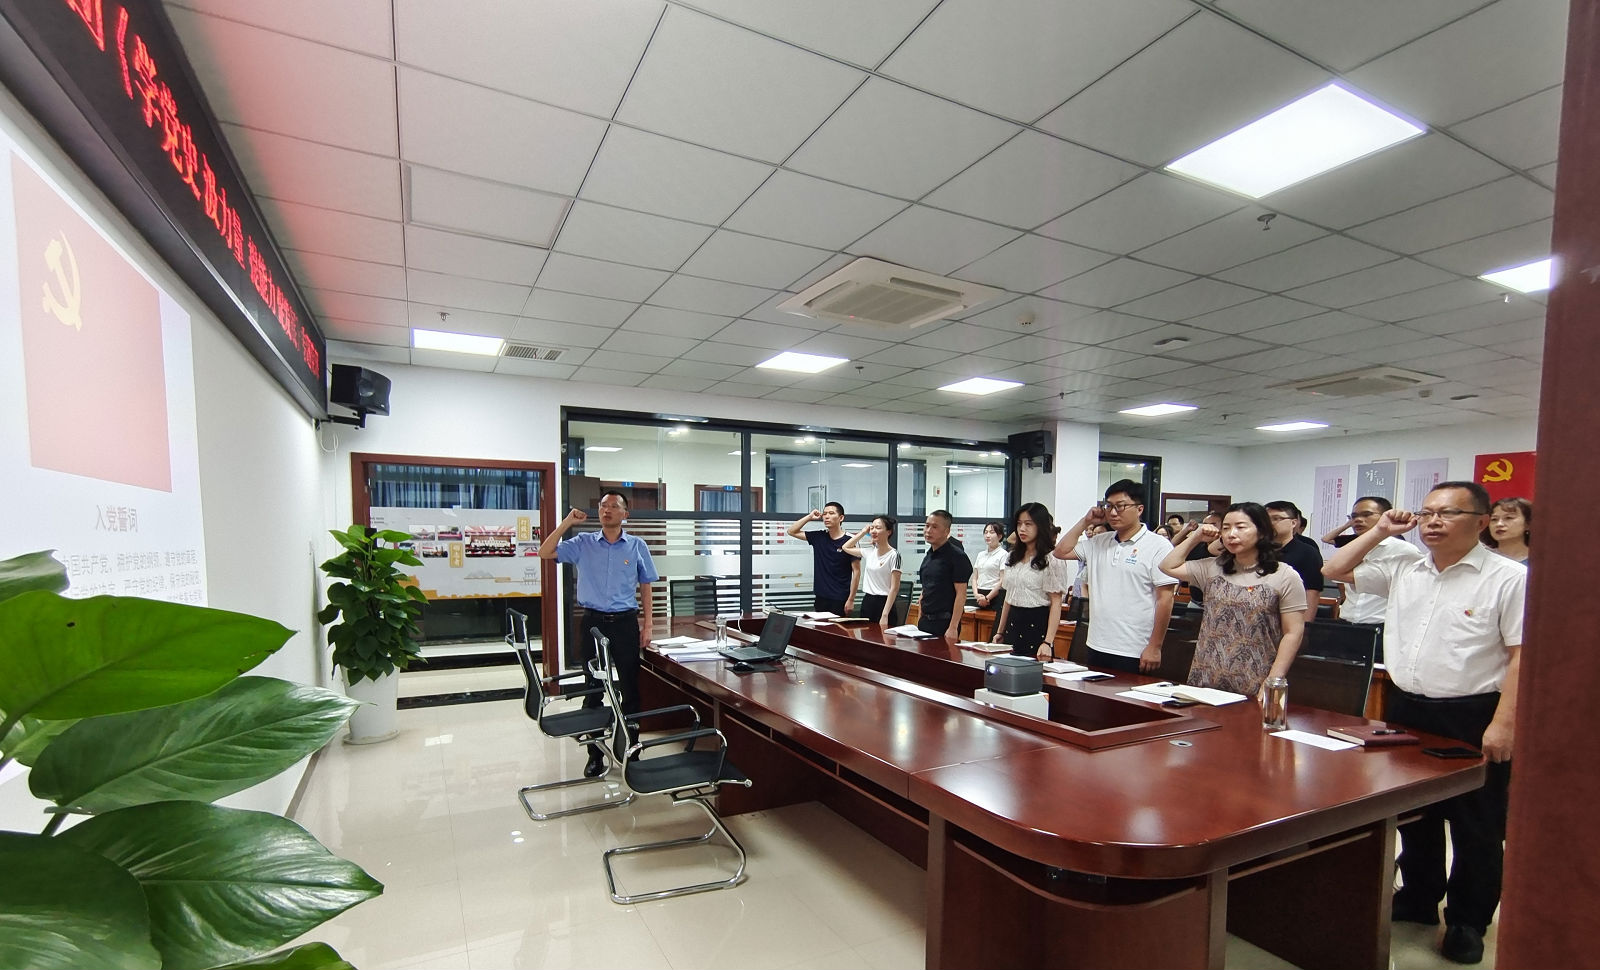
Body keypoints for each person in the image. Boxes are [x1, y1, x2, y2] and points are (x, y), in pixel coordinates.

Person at [1323, 481, 1525, 965]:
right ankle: (1417, 897)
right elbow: (1333, 569)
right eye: (1427, 512)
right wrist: (1380, 531)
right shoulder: (1406, 567)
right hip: (1407, 707)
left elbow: (1523, 654)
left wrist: (1504, 724)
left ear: (1481, 522)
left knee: (1476, 823)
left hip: (1473, 711)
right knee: (1417, 815)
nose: (1433, 521)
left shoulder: (1509, 577)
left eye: (1448, 513)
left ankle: (1467, 921)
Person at [539, 490, 658, 778]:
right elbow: (545, 552)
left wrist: (648, 624)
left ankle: (631, 751)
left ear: (625, 514)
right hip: (593, 624)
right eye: (603, 505)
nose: (607, 510)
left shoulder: (637, 546)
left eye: (614, 506)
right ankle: (595, 754)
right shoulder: (583, 543)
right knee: (593, 688)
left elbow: (646, 585)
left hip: (625, 623)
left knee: (630, 688)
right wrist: (568, 522)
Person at [1159, 503, 1307, 696]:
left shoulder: (1285, 576)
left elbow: (1293, 633)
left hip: (1256, 677)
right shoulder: (1212, 568)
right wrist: (1196, 537)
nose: (1231, 534)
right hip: (1206, 675)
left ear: (1262, 531)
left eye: (1240, 527)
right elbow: (1167, 566)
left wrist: (1273, 681)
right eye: (1226, 528)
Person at [1051, 480, 1177, 673]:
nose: (1113, 512)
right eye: (1109, 506)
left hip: (1135, 649)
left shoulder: (1159, 546)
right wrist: (1085, 521)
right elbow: (1060, 551)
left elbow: (1165, 600)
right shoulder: (1098, 542)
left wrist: (1155, 646)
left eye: (1121, 506)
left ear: (1139, 509)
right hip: (1097, 644)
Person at [1321, 496, 1422, 638]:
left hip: (1381, 627)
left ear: (1386, 516)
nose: (1358, 520)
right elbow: (1331, 574)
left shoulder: (1403, 550)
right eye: (1354, 516)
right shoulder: (1349, 550)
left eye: (1366, 514)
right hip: (1346, 623)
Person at [989, 503, 1066, 660]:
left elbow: (1056, 603)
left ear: (1041, 526)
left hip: (1037, 624)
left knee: (1032, 671)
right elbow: (1009, 597)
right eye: (1019, 524)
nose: (1022, 529)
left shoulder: (1052, 559)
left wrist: (1048, 642)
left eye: (1028, 524)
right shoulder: (1012, 556)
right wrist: (1000, 631)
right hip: (1013, 622)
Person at [788, 502, 860, 615]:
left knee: (837, 627)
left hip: (840, 598)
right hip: (821, 597)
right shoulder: (819, 537)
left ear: (841, 518)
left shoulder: (850, 540)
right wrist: (809, 517)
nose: (826, 516)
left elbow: (857, 571)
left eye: (831, 513)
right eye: (824, 514)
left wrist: (851, 599)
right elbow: (791, 531)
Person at [916, 510, 972, 639]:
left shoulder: (957, 556)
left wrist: (953, 627)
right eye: (927, 525)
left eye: (934, 527)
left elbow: (961, 594)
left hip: (945, 623)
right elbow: (925, 590)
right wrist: (920, 618)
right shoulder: (929, 555)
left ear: (946, 531)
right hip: (925, 622)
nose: (928, 530)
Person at [841, 515, 902, 626]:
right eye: (872, 528)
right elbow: (845, 547)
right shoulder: (869, 551)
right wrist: (863, 532)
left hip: (885, 603)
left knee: (883, 636)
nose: (873, 531)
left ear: (888, 532)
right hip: (868, 601)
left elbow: (894, 588)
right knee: (866, 635)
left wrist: (885, 615)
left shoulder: (894, 555)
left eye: (878, 528)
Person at [1264, 500, 1325, 598]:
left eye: (1276, 518)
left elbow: (1312, 592)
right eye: (1266, 519)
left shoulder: (1308, 553)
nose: (1270, 523)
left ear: (1293, 523)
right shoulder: (1258, 551)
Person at [971, 521, 1009, 618]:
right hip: (980, 596)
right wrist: (976, 594)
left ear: (999, 536)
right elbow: (975, 577)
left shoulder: (1003, 554)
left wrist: (987, 598)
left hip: (994, 596)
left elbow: (1002, 580)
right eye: (986, 532)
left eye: (991, 532)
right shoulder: (981, 555)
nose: (987, 535)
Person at [1482, 496, 1532, 564]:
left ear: (1528, 524)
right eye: (1494, 519)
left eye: (1508, 518)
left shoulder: (1541, 560)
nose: (1499, 524)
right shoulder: (1481, 558)